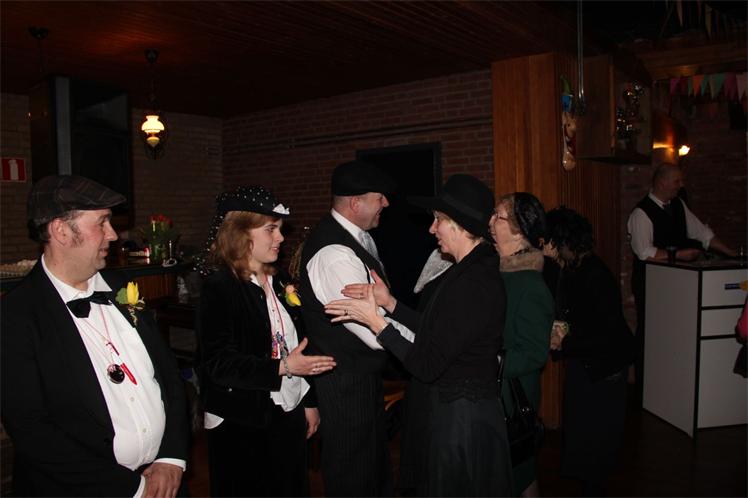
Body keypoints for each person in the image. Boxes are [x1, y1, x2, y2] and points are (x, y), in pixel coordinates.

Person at [1, 175, 189, 497]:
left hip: (165, 482)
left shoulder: (121, 287)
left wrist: (171, 457)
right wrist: (134, 488)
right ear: (61, 230)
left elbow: (168, 375)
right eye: (101, 222)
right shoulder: (15, 315)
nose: (113, 234)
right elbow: (32, 430)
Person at [326, 174, 513, 496]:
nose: (431, 229)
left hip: (464, 423)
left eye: (438, 220)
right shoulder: (466, 270)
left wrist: (378, 324)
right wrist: (390, 304)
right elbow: (438, 327)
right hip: (458, 414)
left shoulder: (474, 281)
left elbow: (426, 364)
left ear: (459, 225)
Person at [195, 186, 336, 497]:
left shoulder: (280, 280)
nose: (281, 238)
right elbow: (219, 364)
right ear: (240, 233)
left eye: (280, 229)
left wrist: (308, 402)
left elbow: (296, 344)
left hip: (287, 408)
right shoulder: (220, 287)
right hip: (242, 418)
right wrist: (283, 367)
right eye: (271, 229)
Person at [298, 160, 398, 496]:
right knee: (353, 475)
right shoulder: (335, 254)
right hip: (344, 382)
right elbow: (373, 331)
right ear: (356, 203)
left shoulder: (357, 238)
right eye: (379, 197)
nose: (386, 203)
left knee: (371, 468)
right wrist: (421, 342)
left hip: (359, 375)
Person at [627, 163, 736, 401]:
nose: (681, 185)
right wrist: (680, 255)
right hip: (651, 284)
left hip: (676, 284)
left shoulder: (678, 206)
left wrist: (730, 253)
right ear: (662, 182)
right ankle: (645, 389)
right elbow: (644, 252)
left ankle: (670, 386)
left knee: (673, 332)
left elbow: (702, 233)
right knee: (650, 332)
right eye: (677, 181)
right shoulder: (641, 213)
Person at [545, 207, 635, 497]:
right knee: (582, 429)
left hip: (605, 366)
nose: (547, 247)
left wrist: (564, 343)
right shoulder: (572, 269)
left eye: (552, 242)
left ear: (565, 242)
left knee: (598, 434)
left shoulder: (595, 275)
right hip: (586, 362)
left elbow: (604, 333)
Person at [489, 192, 553, 497]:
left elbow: (534, 353)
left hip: (512, 395)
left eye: (498, 217)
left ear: (518, 231)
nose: (490, 222)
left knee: (517, 472)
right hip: (495, 390)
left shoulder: (529, 284)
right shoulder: (498, 272)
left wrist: (488, 362)